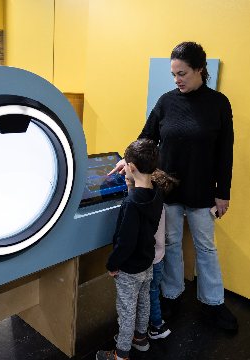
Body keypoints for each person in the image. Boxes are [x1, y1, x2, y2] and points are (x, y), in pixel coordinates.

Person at [108, 41, 237, 330]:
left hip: (204, 192)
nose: (177, 80)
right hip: (168, 189)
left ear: (200, 70)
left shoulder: (219, 103)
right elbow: (146, 137)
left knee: (206, 247)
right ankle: (172, 295)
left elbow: (225, 151)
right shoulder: (166, 101)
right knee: (171, 244)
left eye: (183, 74)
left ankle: (213, 303)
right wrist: (126, 159)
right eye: (174, 74)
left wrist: (223, 193)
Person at [97, 139, 164, 360]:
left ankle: (121, 354)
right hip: (147, 261)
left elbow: (125, 242)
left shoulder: (131, 203)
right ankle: (140, 339)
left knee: (127, 311)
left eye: (125, 164)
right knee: (144, 302)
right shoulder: (156, 192)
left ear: (131, 167)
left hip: (129, 268)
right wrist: (130, 188)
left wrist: (112, 264)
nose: (124, 167)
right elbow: (143, 220)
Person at [126, 169, 179, 340]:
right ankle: (156, 325)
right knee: (153, 292)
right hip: (158, 259)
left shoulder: (146, 208)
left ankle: (155, 326)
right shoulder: (160, 206)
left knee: (145, 295)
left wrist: (129, 186)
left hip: (148, 262)